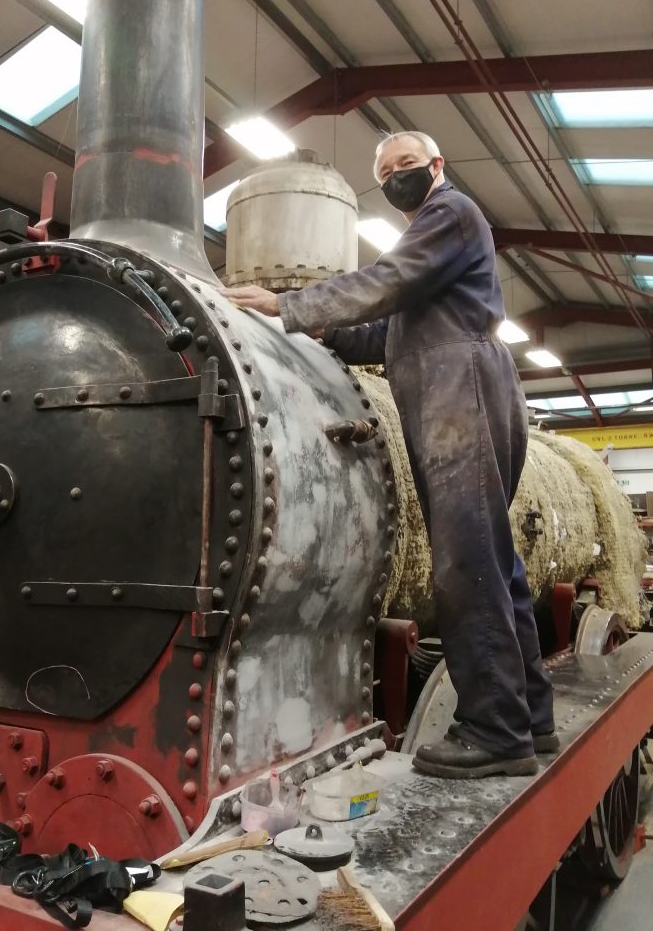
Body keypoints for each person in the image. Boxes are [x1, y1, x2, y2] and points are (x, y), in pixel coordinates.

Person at [222, 130, 557, 779]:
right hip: (462, 393)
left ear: (438, 164)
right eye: (388, 171)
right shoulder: (433, 260)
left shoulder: (449, 214)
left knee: (464, 567)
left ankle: (494, 730)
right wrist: (322, 331)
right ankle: (530, 718)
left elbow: (389, 280)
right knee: (495, 564)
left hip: (461, 398)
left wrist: (291, 305)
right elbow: (386, 329)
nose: (399, 176)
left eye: (408, 164)